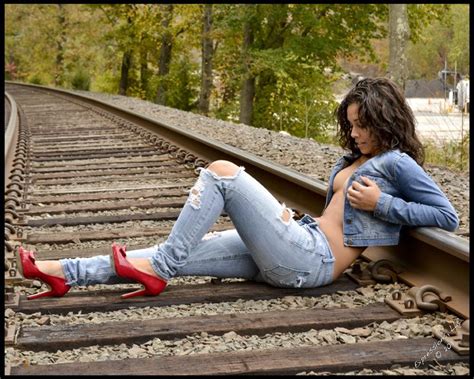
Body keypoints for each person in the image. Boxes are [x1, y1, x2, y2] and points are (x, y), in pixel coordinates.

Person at [16, 77, 459, 300]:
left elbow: (446, 216)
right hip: (297, 243)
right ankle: (63, 273)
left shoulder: (397, 162)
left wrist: (384, 203)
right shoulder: (355, 160)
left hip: (312, 262)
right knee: (181, 250)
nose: (356, 133)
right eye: (351, 124)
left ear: (385, 120)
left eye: (363, 125)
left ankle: (160, 269)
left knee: (223, 171)